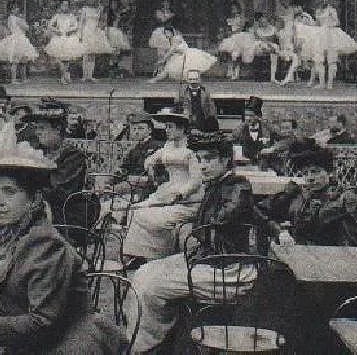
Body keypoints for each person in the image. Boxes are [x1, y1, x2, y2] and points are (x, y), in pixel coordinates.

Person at [0, 124, 124, 353]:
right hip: (36, 342)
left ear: (34, 199)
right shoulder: (15, 234)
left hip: (67, 344)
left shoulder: (47, 245)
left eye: (9, 192)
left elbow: (42, 323)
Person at [129, 134, 263, 353]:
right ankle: (156, 338)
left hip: (228, 270)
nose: (203, 166)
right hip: (208, 259)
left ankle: (147, 346)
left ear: (226, 161)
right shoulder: (217, 185)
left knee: (148, 287)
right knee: (143, 272)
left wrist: (197, 223)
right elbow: (257, 215)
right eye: (199, 160)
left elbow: (225, 215)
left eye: (209, 159)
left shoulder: (237, 187)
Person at [122, 109, 202, 261]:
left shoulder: (192, 148)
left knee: (146, 216)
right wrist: (150, 164)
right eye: (166, 127)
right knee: (134, 209)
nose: (167, 130)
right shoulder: (168, 145)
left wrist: (181, 193)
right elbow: (153, 158)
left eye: (170, 127)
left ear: (182, 129)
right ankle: (138, 254)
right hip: (167, 191)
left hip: (187, 199)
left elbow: (196, 180)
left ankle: (156, 254)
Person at [258, 154, 357, 246]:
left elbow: (355, 244)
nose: (310, 177)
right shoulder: (296, 194)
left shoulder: (344, 199)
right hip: (295, 256)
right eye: (305, 173)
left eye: (315, 171)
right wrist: (279, 232)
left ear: (330, 173)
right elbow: (260, 211)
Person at [24, 104, 90, 228]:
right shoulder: (37, 152)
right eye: (36, 128)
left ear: (58, 128)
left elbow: (56, 191)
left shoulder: (73, 156)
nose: (37, 132)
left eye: (42, 128)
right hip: (36, 209)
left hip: (63, 216)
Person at [310, 0, 357, 89]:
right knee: (319, 59)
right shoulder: (317, 11)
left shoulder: (332, 10)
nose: (323, 0)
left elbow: (337, 22)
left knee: (331, 59)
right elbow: (317, 23)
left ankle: (330, 83)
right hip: (321, 35)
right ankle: (321, 83)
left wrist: (328, 26)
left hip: (331, 35)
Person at [111, 113, 168, 195]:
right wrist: (119, 171)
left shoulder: (158, 147)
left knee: (113, 190)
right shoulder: (134, 149)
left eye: (140, 128)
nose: (136, 132)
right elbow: (126, 167)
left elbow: (163, 175)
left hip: (146, 188)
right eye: (134, 129)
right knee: (104, 182)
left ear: (149, 130)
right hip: (132, 184)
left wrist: (145, 179)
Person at [149, 26, 217, 83]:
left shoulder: (176, 38)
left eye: (168, 32)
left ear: (172, 32)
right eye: (166, 33)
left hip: (187, 55)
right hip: (179, 56)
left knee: (186, 70)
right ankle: (155, 79)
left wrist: (163, 60)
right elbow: (172, 51)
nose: (167, 34)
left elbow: (172, 50)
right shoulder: (172, 39)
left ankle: (194, 82)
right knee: (168, 69)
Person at [0, 2, 39, 84]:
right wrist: (23, 20)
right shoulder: (17, 19)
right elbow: (26, 28)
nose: (17, 10)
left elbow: (9, 28)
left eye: (17, 8)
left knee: (20, 61)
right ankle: (15, 79)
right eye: (15, 8)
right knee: (18, 62)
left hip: (13, 37)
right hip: (19, 39)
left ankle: (21, 78)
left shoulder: (10, 18)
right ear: (12, 10)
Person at [45, 0, 83, 85]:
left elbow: (76, 26)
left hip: (68, 37)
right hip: (59, 37)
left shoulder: (71, 16)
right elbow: (50, 25)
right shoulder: (57, 16)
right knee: (61, 59)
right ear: (60, 6)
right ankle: (63, 76)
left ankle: (65, 75)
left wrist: (70, 30)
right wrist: (56, 30)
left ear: (69, 6)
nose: (65, 7)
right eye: (63, 5)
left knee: (66, 60)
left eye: (67, 5)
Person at [76, 0, 113, 83]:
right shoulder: (84, 10)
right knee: (86, 54)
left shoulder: (98, 10)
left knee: (92, 55)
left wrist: (101, 29)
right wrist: (80, 35)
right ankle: (84, 76)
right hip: (86, 32)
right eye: (88, 0)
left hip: (95, 32)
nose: (90, 1)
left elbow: (101, 21)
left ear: (95, 0)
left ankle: (90, 75)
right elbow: (81, 23)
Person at [235, 96, 277, 161]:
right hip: (245, 163)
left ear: (258, 116)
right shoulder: (242, 128)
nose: (248, 118)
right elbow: (235, 136)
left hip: (264, 163)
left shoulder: (266, 128)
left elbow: (276, 135)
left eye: (251, 116)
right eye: (246, 115)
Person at [272, 0, 301, 84]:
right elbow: (278, 23)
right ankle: (284, 76)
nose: (284, 3)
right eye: (282, 1)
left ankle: (291, 76)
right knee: (284, 55)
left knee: (293, 53)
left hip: (292, 32)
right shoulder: (279, 11)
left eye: (285, 1)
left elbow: (298, 20)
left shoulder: (294, 10)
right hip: (284, 33)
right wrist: (278, 32)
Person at [217, 6, 252, 80]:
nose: (234, 10)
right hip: (232, 37)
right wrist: (228, 33)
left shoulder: (242, 18)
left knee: (237, 53)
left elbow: (242, 28)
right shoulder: (229, 19)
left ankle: (236, 72)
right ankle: (230, 70)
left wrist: (233, 32)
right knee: (230, 52)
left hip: (240, 36)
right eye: (232, 9)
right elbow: (227, 29)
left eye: (235, 8)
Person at [105, 0, 132, 75]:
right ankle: (111, 67)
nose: (114, 5)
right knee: (112, 50)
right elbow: (108, 23)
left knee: (118, 50)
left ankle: (115, 67)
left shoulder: (120, 13)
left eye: (115, 3)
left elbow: (124, 20)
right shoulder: (108, 14)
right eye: (112, 4)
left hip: (118, 31)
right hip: (110, 30)